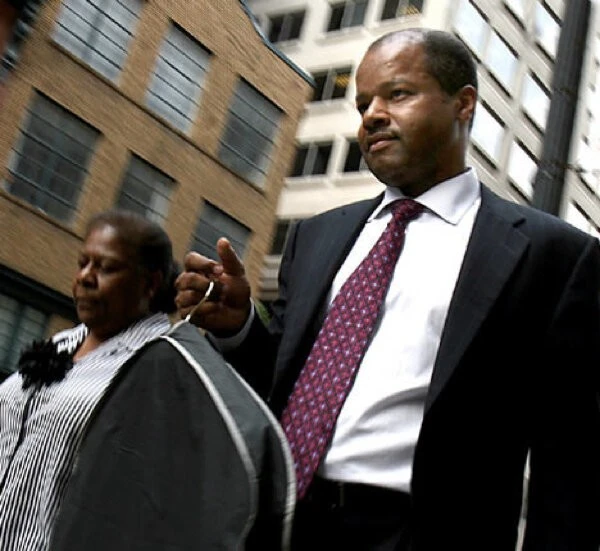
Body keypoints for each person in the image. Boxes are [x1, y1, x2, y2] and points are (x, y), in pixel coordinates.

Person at [175, 28, 600, 550]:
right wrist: (239, 326)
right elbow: (283, 384)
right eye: (363, 104)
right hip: (281, 521)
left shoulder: (554, 255)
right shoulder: (317, 236)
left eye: (397, 94)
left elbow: (569, 458)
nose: (372, 115)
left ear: (463, 104)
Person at [0, 209, 294, 551]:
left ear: (150, 283)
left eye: (106, 267)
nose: (85, 277)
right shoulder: (60, 344)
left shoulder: (161, 370)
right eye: (83, 263)